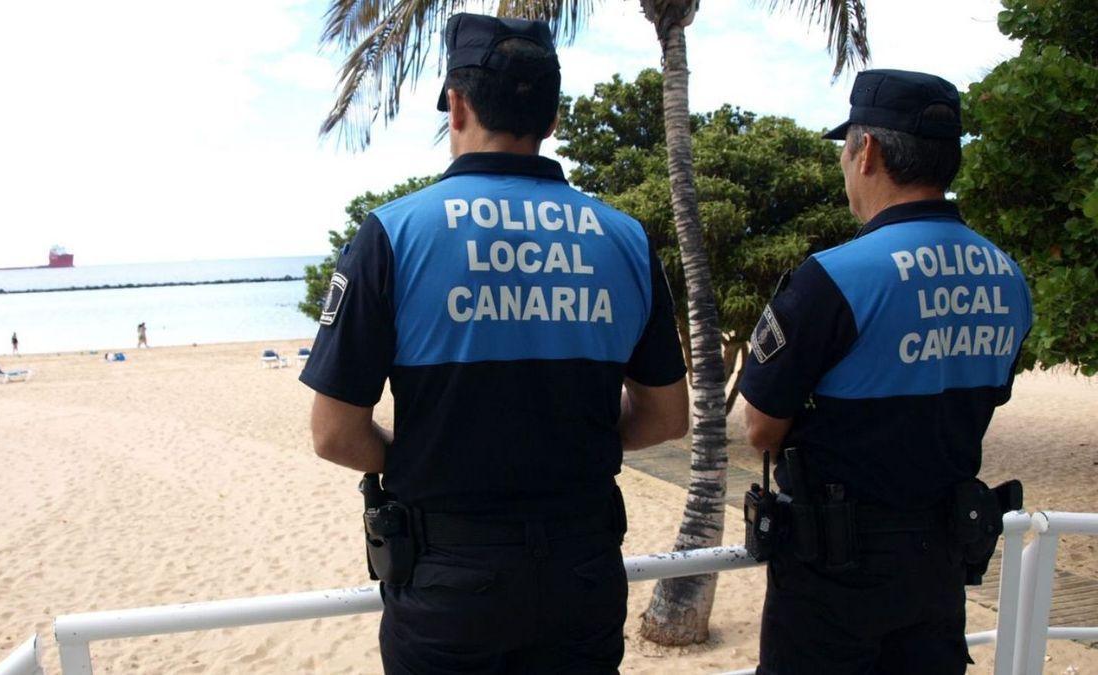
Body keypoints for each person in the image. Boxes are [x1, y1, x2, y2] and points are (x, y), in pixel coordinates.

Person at [299, 13, 689, 673]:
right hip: (582, 570)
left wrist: (424, 455)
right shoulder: (622, 237)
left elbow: (335, 433)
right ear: (553, 116)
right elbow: (667, 416)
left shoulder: (395, 235)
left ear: (456, 105)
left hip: (450, 576)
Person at [739, 69, 1034, 675]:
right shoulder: (1007, 276)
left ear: (866, 150)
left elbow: (761, 429)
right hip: (942, 562)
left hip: (834, 573)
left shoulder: (835, 277)